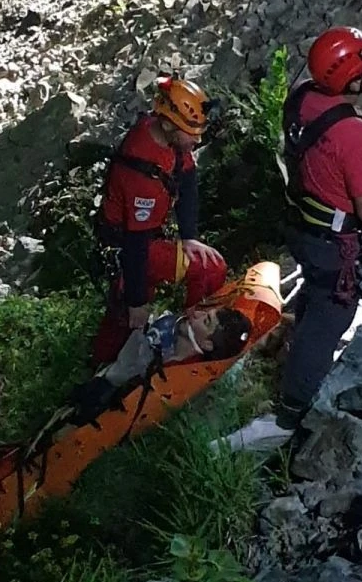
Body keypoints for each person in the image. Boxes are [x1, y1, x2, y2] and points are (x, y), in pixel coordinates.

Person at [278, 27, 362, 423]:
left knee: (315, 295)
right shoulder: (353, 134)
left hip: (302, 225)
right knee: (330, 318)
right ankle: (292, 410)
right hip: (334, 242)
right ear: (353, 80)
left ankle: (295, 357)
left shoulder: (302, 99)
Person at [91, 76, 228, 365]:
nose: (197, 140)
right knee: (208, 269)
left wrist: (189, 235)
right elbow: (135, 243)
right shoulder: (142, 173)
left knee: (124, 316)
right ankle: (192, 341)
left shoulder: (165, 138)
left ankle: (111, 356)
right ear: (168, 124)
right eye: (191, 133)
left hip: (143, 237)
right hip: (130, 245)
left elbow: (187, 178)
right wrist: (138, 300)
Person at [69, 303, 251, 425]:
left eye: (206, 320)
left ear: (207, 344)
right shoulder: (170, 330)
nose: (197, 314)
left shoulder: (180, 376)